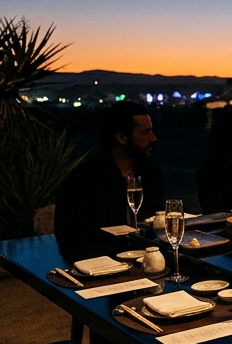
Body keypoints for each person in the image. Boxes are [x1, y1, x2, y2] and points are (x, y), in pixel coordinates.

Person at [54, 101, 164, 258]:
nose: (153, 138)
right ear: (121, 137)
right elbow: (72, 241)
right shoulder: (83, 180)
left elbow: (157, 225)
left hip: (147, 262)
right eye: (145, 132)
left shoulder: (151, 174)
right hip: (102, 268)